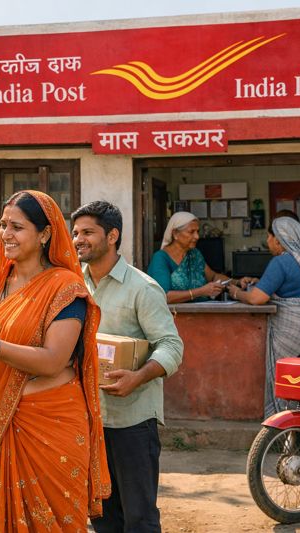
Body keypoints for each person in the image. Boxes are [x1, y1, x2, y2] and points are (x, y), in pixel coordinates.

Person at [0, 190, 110, 531]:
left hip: (50, 430)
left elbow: (52, 361)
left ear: (44, 234)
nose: (5, 235)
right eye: (2, 225)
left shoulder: (66, 287)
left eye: (17, 227)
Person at [71, 201, 184, 533]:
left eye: (88, 232)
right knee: (102, 515)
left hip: (133, 422)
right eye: (76, 233)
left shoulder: (142, 288)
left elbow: (172, 345)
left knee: (139, 518)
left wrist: (138, 376)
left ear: (113, 235)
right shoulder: (73, 286)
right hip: (89, 419)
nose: (79, 239)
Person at [228, 216, 300, 416]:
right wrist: (259, 281)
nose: (268, 242)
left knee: (290, 383)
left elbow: (256, 298)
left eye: (269, 237)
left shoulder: (280, 262)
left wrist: (233, 291)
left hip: (290, 332)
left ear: (278, 239)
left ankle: (288, 428)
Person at [148, 211, 255, 303]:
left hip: (202, 315)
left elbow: (213, 277)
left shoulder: (195, 254)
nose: (197, 237)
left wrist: (237, 282)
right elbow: (163, 296)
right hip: (176, 319)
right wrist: (201, 291)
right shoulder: (161, 259)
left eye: (197, 231)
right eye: (191, 232)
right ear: (175, 234)